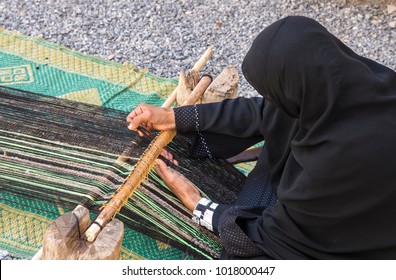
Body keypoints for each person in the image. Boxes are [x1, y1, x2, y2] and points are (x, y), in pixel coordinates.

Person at [126, 16, 396, 259]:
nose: (270, 101)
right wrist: (173, 117)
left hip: (362, 241)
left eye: (273, 93)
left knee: (245, 261)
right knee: (280, 133)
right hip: (343, 191)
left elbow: (275, 237)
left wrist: (198, 204)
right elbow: (266, 112)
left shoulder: (338, 162)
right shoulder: (348, 84)